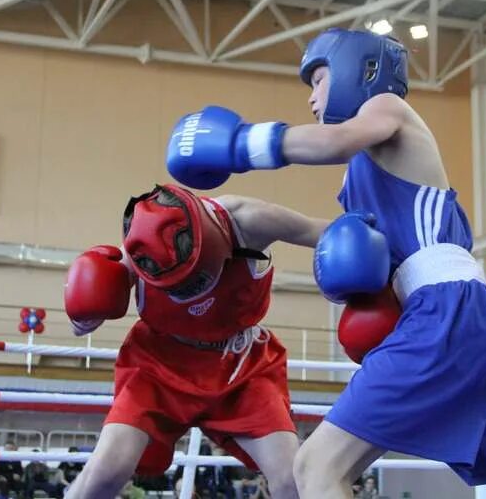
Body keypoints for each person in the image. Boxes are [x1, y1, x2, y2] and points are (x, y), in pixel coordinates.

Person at [166, 27, 486, 499]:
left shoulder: (387, 110)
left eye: (318, 80)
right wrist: (244, 215)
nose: (312, 99)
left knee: (316, 467)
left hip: (445, 312)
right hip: (469, 317)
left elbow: (333, 141)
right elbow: (338, 236)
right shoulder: (364, 172)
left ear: (357, 71)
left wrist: (243, 144)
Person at [64, 184, 330, 499]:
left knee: (293, 479)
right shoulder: (137, 253)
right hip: (158, 365)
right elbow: (79, 329)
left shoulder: (250, 221)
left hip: (240, 365)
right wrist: (88, 303)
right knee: (106, 471)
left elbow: (326, 233)